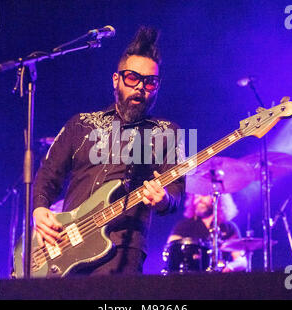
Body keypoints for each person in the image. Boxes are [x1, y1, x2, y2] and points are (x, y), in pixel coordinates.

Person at [32, 26, 185, 275]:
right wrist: (39, 210)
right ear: (117, 79)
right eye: (133, 78)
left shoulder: (167, 132)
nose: (140, 87)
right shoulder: (81, 124)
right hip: (65, 245)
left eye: (150, 82)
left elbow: (176, 193)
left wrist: (164, 198)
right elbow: (49, 173)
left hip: (123, 248)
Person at [166, 193, 247, 272]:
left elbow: (241, 260)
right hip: (191, 279)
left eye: (204, 195)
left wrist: (230, 267)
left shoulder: (229, 227)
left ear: (216, 198)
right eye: (196, 196)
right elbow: (170, 251)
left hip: (222, 280)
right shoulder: (183, 226)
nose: (199, 199)